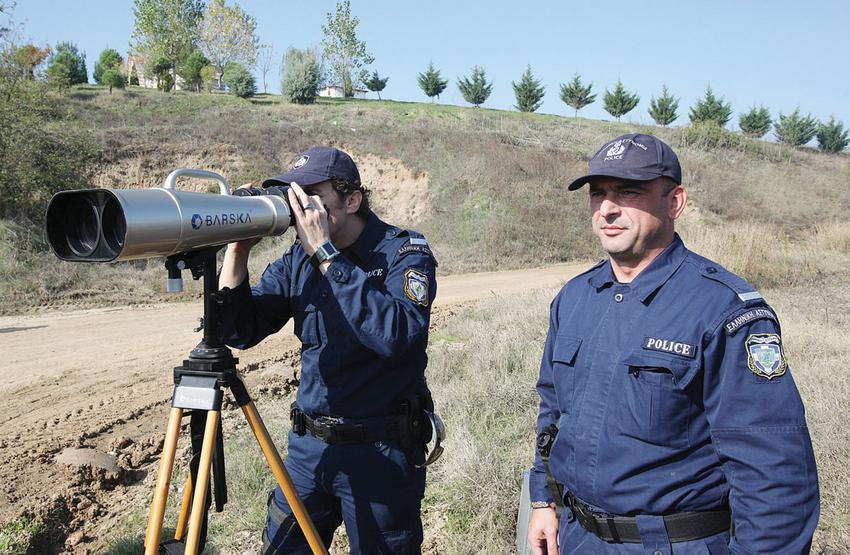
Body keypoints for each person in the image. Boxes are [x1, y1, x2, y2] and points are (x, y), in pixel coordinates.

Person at [527, 134, 819, 554]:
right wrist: (544, 499)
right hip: (578, 538)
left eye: (629, 192)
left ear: (675, 202)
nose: (608, 208)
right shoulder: (575, 298)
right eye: (598, 194)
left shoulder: (723, 311)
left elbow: (774, 473)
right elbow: (553, 414)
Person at [216, 146, 440, 554]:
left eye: (310, 195)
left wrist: (327, 255)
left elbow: (397, 335)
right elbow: (240, 330)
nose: (299, 207)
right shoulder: (298, 259)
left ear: (351, 200)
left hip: (380, 454)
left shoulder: (403, 253)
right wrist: (238, 250)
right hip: (310, 452)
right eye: (291, 195)